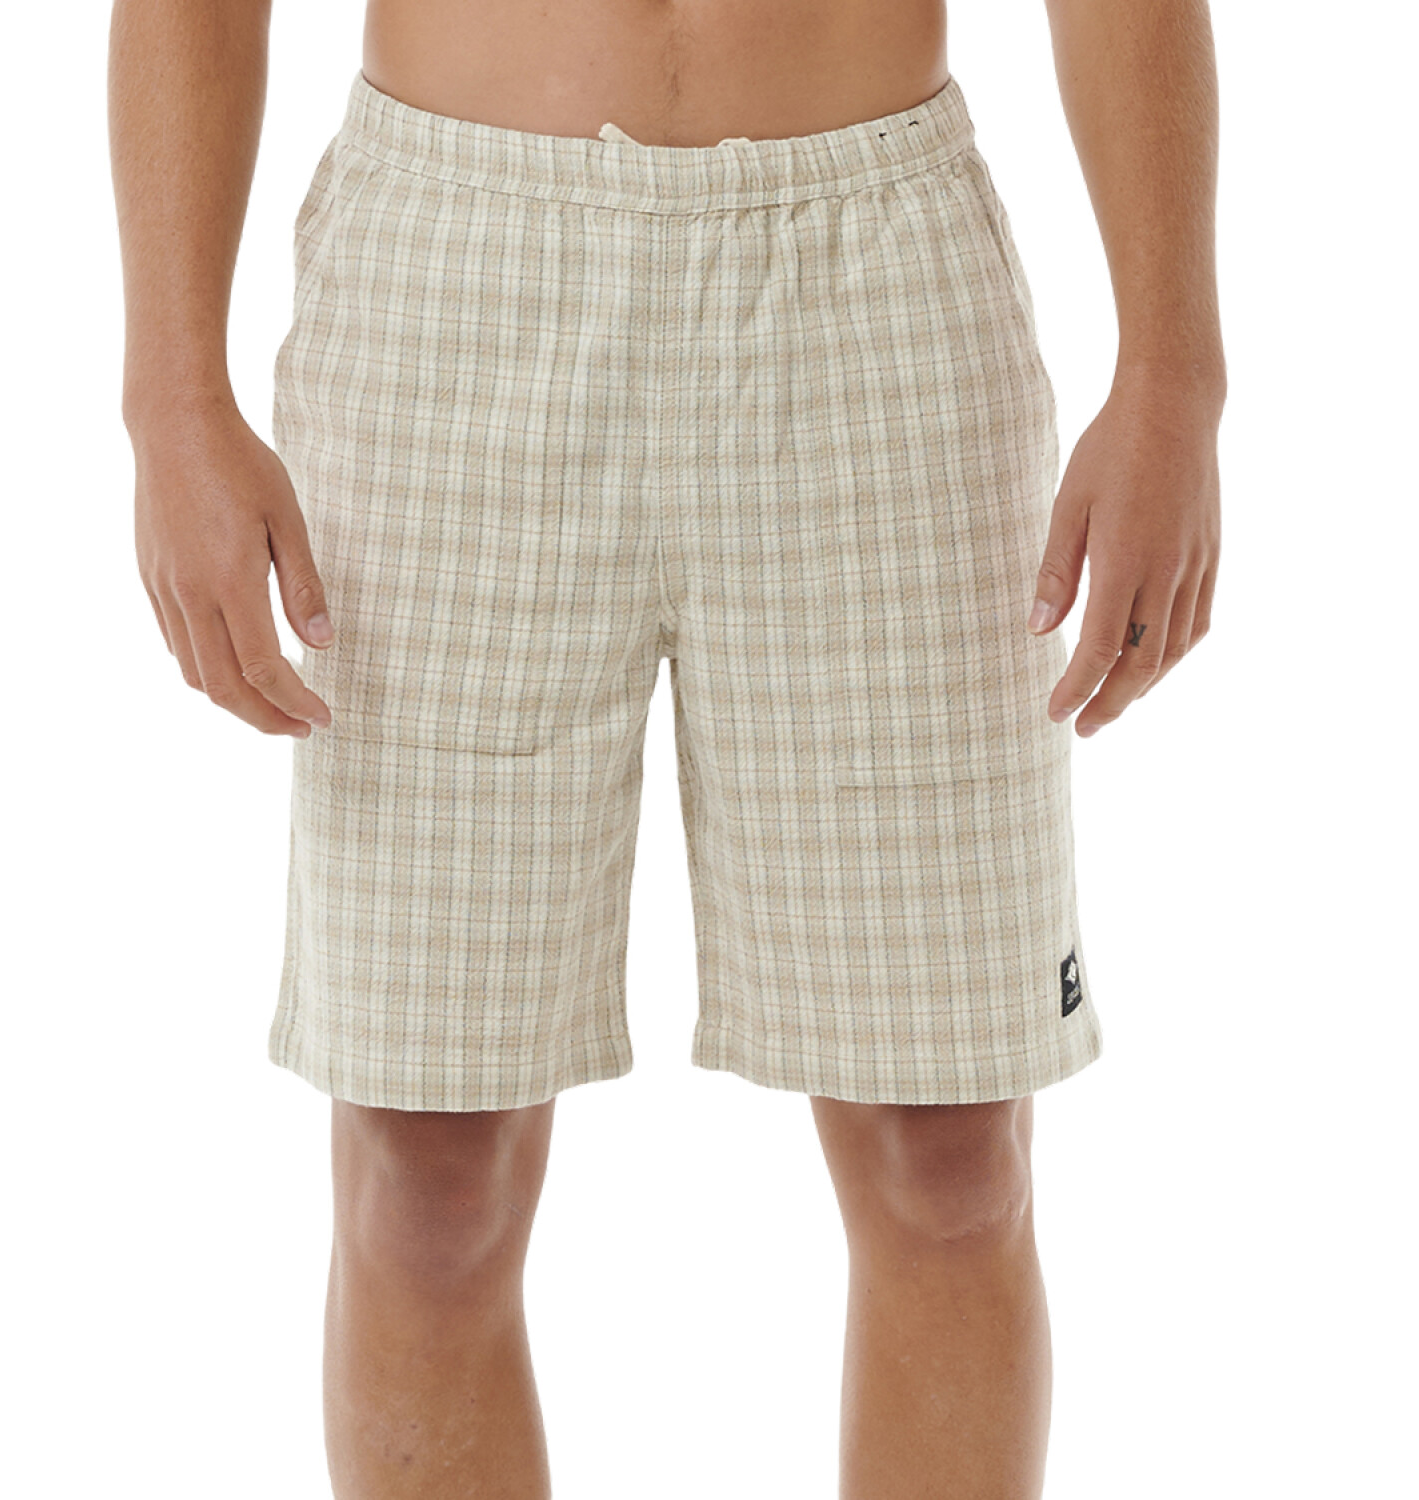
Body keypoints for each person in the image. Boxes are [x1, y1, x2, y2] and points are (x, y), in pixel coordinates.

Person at [108, 0, 1223, 1492]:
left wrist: (1175, 374)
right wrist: (170, 393)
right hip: (452, 278)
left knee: (950, 1159)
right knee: (426, 1179)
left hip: (875, 279)